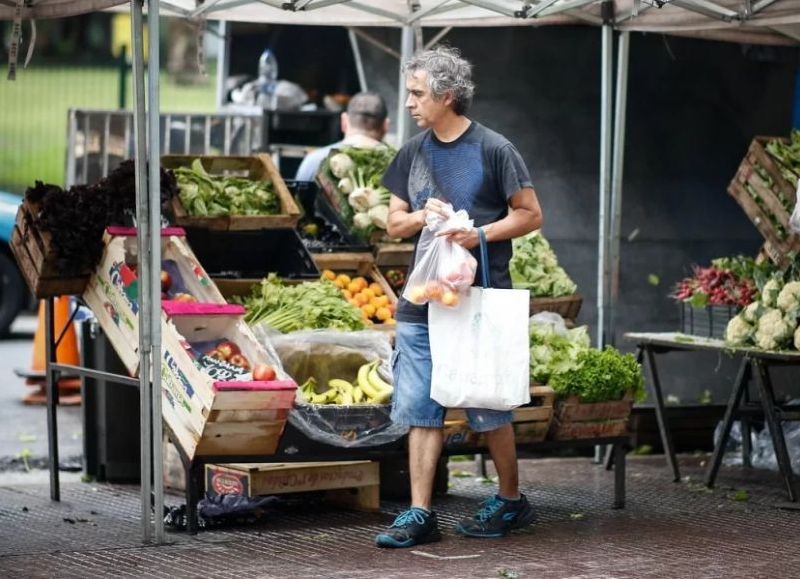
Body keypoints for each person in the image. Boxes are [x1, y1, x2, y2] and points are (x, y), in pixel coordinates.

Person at [375, 45, 543, 548]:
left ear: (447, 96)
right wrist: (421, 217)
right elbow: (393, 221)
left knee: (488, 405)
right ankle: (419, 513)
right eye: (409, 93)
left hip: (479, 299)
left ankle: (511, 500)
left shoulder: (494, 149)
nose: (409, 103)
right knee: (420, 408)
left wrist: (481, 234)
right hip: (422, 297)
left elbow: (531, 214)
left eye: (418, 93)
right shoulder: (413, 151)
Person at [294, 91, 390, 181]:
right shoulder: (394, 164)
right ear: (386, 125)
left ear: (344, 121)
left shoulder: (314, 160)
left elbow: (296, 197)